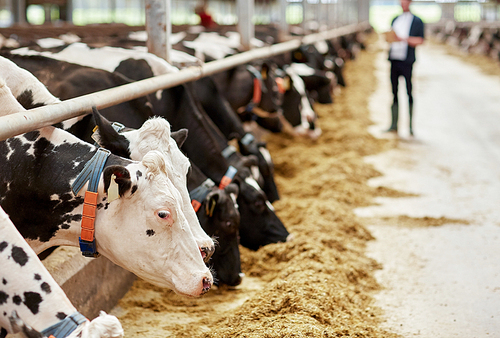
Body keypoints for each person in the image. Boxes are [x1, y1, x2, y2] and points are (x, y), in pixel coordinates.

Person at [386, 0, 424, 136]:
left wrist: (402, 38)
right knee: (394, 92)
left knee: (409, 91)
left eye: (405, 1)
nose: (403, 3)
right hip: (394, 59)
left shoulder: (417, 21)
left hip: (407, 61)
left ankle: (410, 126)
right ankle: (393, 125)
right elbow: (390, 38)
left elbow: (420, 40)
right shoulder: (395, 19)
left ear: (410, 2)